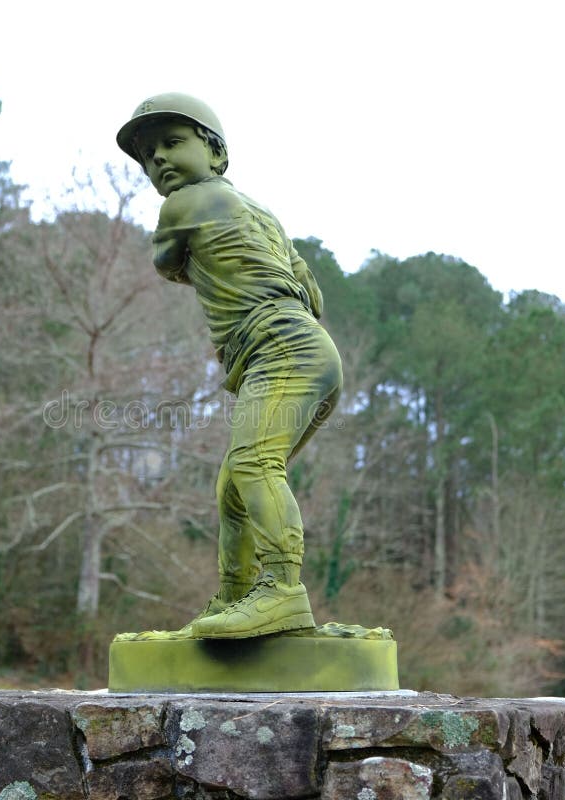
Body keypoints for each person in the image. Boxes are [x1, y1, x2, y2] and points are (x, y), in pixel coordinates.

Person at [117, 93, 343, 639]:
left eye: (173, 144)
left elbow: (167, 263)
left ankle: (282, 590)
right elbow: (312, 293)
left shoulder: (182, 205)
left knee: (253, 467)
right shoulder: (264, 215)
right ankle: (237, 597)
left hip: (279, 352)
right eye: (150, 157)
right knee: (235, 485)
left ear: (216, 155)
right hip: (313, 350)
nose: (160, 162)